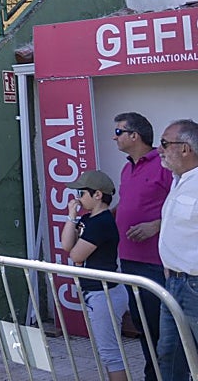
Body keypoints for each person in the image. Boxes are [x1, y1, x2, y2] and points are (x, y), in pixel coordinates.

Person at [113, 112, 174, 381]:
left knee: (162, 330)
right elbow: (128, 205)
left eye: (118, 132)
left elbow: (183, 207)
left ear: (134, 135)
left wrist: (155, 225)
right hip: (128, 260)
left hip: (156, 263)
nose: (114, 137)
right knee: (143, 326)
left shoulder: (164, 165)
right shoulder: (127, 168)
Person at [61, 170, 129, 381]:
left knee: (110, 354)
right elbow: (66, 245)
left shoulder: (102, 223)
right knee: (107, 352)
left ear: (97, 195)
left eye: (82, 193)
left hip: (104, 293)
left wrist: (77, 256)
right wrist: (71, 217)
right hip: (96, 292)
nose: (78, 198)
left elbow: (76, 254)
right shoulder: (88, 219)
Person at [156, 118, 198, 381]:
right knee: (170, 355)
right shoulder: (178, 180)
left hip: (194, 285)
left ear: (185, 148)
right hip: (174, 283)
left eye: (164, 143)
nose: (159, 150)